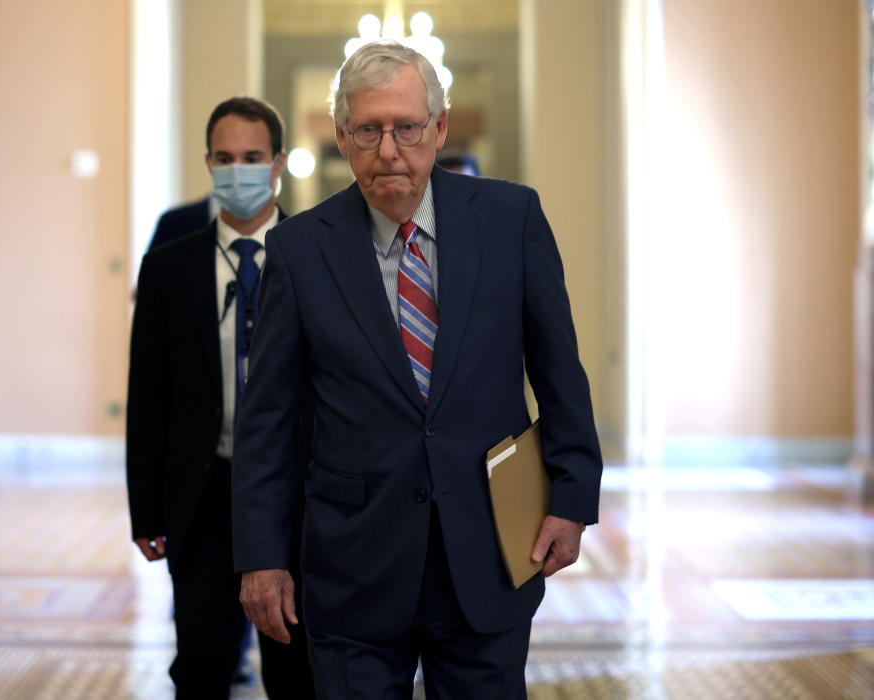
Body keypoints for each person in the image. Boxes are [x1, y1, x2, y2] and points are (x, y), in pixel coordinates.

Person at [232, 41, 603, 699]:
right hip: (353, 567)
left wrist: (572, 497)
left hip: (489, 550)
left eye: (406, 127)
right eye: (368, 130)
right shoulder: (299, 250)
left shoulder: (510, 220)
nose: (389, 149)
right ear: (343, 138)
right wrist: (262, 557)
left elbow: (559, 373)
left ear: (439, 128)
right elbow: (267, 420)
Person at [126, 96, 315, 700]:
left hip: (299, 496)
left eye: (253, 157)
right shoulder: (167, 267)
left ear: (278, 162)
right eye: (226, 157)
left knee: (296, 668)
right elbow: (147, 395)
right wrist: (145, 508)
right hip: (202, 494)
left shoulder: (319, 256)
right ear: (208, 162)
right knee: (203, 665)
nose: (239, 170)